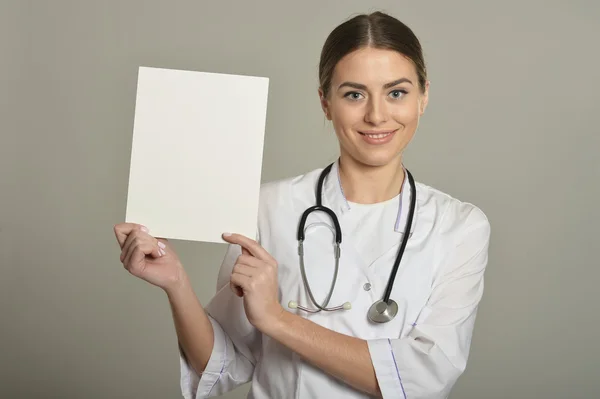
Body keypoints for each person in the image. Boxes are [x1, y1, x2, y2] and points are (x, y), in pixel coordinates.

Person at [114, 11, 490, 399]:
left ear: (424, 95)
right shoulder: (268, 207)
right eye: (354, 94)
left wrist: (277, 319)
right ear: (325, 102)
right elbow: (225, 363)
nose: (377, 115)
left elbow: (424, 380)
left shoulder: (459, 227)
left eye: (397, 92)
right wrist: (176, 283)